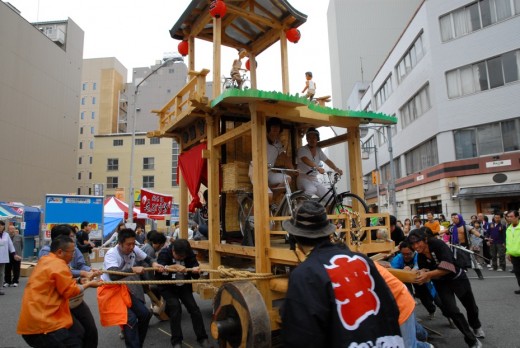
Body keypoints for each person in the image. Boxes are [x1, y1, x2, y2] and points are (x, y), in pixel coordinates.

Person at [281, 201, 404, 347]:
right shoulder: (363, 260)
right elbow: (390, 307)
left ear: (295, 237)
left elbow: (301, 337)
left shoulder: (305, 274)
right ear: (327, 232)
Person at [17, 235, 102, 347]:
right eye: (72, 252)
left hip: (37, 319)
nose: (73, 255)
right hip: (43, 325)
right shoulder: (59, 265)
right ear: (60, 252)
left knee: (79, 332)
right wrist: (89, 284)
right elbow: (70, 291)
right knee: (74, 342)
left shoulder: (45, 260)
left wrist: (80, 280)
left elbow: (60, 284)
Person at [409, 227, 484, 348]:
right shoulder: (420, 255)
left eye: (418, 242)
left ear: (425, 239)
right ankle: (471, 340)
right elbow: (425, 270)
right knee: (452, 311)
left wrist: (427, 274)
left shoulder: (438, 244)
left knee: (471, 306)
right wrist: (419, 274)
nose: (416, 246)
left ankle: (476, 326)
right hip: (441, 283)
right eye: (413, 244)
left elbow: (448, 267)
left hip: (457, 278)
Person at [98, 228, 164, 348]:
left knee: (145, 314)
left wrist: (154, 263)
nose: (131, 246)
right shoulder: (112, 254)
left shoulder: (134, 248)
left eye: (133, 243)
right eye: (128, 244)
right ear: (120, 243)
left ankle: (137, 344)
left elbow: (147, 258)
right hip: (109, 288)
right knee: (130, 319)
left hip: (122, 287)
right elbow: (113, 275)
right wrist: (132, 270)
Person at [39, 224, 102, 348]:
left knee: (91, 331)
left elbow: (80, 264)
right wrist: (84, 276)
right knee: (74, 336)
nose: (74, 239)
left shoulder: (74, 248)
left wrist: (90, 270)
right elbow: (61, 272)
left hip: (75, 299)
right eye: (71, 236)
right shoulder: (46, 254)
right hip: (57, 302)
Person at [155, 239, 210, 348]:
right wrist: (173, 267)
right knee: (175, 308)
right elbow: (158, 271)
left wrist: (195, 270)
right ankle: (176, 341)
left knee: (194, 309)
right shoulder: (164, 253)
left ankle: (202, 337)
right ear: (173, 250)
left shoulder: (189, 254)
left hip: (183, 285)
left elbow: (195, 271)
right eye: (178, 256)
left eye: (182, 257)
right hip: (168, 286)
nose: (180, 258)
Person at [296, 127, 343, 199]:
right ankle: (300, 207)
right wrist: (317, 168)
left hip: (314, 179)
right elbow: (305, 160)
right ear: (307, 139)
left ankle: (327, 210)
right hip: (303, 178)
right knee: (311, 189)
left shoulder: (319, 150)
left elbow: (327, 161)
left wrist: (337, 169)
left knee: (330, 198)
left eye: (314, 137)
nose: (312, 140)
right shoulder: (302, 150)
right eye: (309, 138)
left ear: (317, 139)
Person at [448, 213, 484, 280]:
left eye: (456, 218)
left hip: (465, 247)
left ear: (459, 219)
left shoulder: (466, 226)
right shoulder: (452, 228)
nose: (454, 219)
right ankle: (457, 275)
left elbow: (475, 232)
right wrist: (434, 233)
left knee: (472, 261)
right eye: (453, 218)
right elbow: (444, 231)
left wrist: (483, 237)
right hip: (456, 247)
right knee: (456, 261)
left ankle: (480, 274)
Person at [0, 221, 21, 295]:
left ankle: (0, 288)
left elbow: (10, 245)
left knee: (1, 273)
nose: (0, 227)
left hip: (3, 257)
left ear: (3, 227)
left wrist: (14, 254)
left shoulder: (6, 235)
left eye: (2, 226)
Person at [505, 210, 520, 294]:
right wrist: (508, 252)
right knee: (517, 273)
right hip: (514, 255)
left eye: (511, 216)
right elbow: (508, 241)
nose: (509, 218)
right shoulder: (509, 228)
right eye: (508, 217)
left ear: (517, 217)